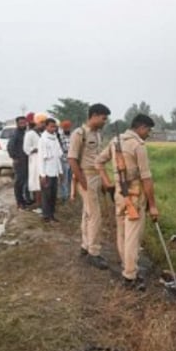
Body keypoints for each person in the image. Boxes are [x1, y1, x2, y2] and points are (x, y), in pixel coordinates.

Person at [95, 114, 159, 290]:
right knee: (132, 237)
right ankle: (130, 275)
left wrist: (107, 182)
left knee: (122, 233)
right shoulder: (138, 145)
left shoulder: (116, 142)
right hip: (135, 194)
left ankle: (127, 266)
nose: (148, 134)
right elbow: (146, 178)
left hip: (119, 194)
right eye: (148, 130)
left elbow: (98, 162)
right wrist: (152, 205)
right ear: (141, 127)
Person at [68, 103, 111, 269]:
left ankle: (85, 246)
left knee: (87, 214)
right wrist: (82, 181)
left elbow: (98, 159)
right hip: (86, 176)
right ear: (94, 116)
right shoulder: (79, 134)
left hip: (96, 177)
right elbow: (72, 159)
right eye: (103, 118)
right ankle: (94, 252)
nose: (104, 121)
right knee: (95, 216)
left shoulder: (98, 134)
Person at [38, 118, 63, 223]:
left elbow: (58, 157)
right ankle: (46, 216)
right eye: (51, 126)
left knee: (53, 195)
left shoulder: (55, 138)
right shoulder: (43, 139)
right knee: (46, 195)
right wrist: (42, 175)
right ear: (46, 126)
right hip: (47, 172)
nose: (54, 128)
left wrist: (60, 172)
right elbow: (41, 159)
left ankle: (52, 214)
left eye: (55, 126)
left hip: (55, 172)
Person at [24, 112, 46, 213]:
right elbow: (26, 148)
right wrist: (36, 149)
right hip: (35, 161)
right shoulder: (30, 134)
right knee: (36, 183)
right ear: (37, 123)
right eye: (42, 123)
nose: (44, 125)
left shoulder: (42, 134)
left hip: (42, 161)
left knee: (42, 182)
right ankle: (38, 204)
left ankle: (41, 203)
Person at [7, 116, 29, 210]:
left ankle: (23, 200)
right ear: (17, 124)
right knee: (19, 182)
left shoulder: (24, 133)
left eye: (24, 123)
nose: (23, 124)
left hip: (25, 161)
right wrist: (14, 157)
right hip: (19, 162)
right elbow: (10, 146)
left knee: (24, 181)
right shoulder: (16, 134)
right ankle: (19, 202)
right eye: (21, 123)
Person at [57, 120, 73, 201]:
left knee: (71, 179)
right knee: (64, 179)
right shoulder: (59, 136)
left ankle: (70, 195)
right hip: (63, 160)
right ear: (63, 128)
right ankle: (64, 197)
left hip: (72, 160)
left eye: (68, 127)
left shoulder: (72, 135)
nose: (67, 129)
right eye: (65, 127)